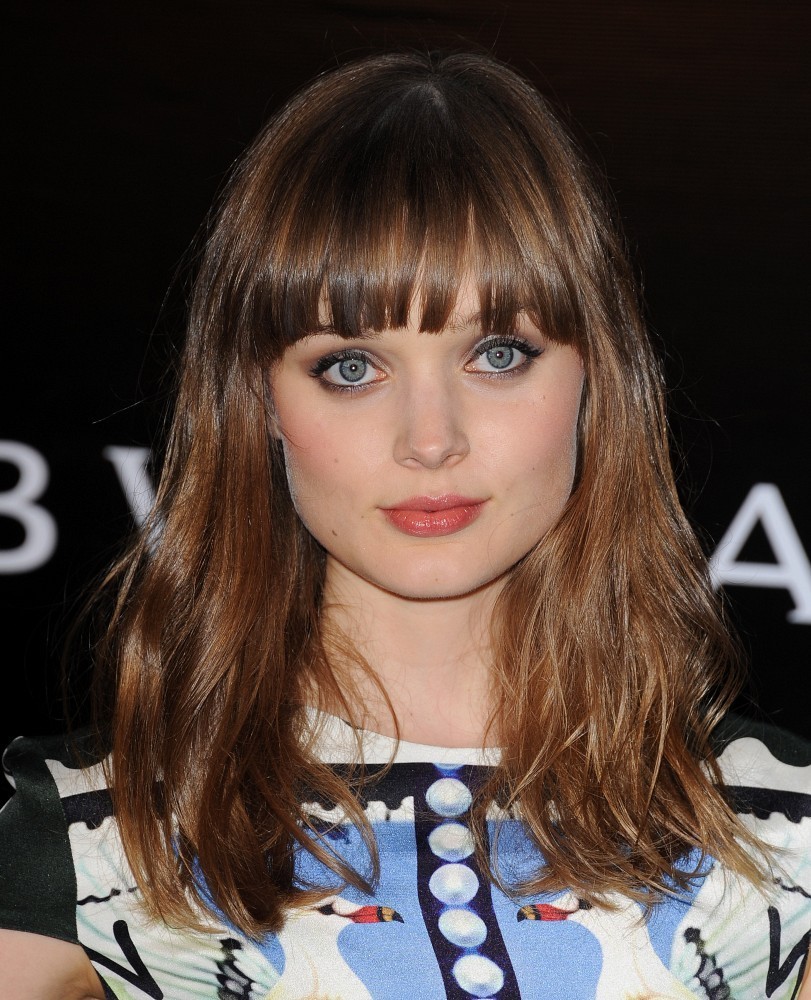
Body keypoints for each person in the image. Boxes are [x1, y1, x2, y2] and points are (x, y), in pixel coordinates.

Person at [0, 49, 809, 1000]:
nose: (431, 440)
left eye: (497, 354)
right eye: (350, 366)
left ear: (596, 376)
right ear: (258, 399)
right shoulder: (90, 839)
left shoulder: (779, 832)